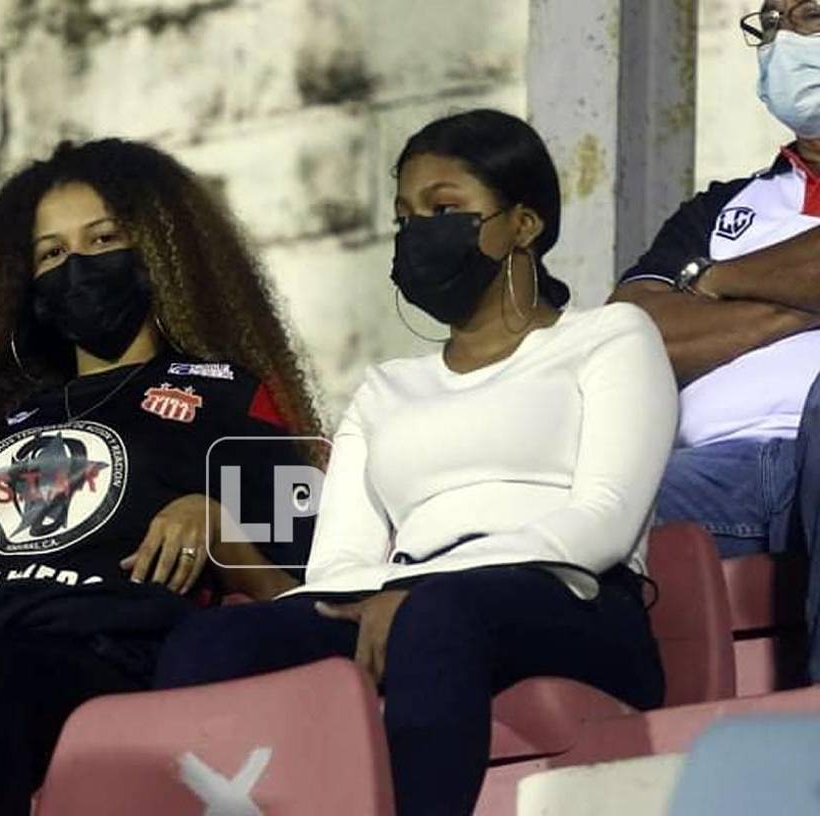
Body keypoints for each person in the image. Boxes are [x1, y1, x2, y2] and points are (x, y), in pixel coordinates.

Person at [153, 110, 677, 816]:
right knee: (214, 642)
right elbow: (338, 564)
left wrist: (427, 589)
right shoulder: (386, 388)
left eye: (445, 209)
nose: (418, 234)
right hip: (406, 597)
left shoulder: (610, 337)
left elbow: (605, 520)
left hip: (575, 601)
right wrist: (388, 597)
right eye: (405, 218)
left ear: (522, 225)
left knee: (436, 615)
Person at [0, 138, 322, 815]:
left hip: (110, 655)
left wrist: (219, 527)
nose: (79, 266)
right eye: (52, 253)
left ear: (160, 252)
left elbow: (304, 603)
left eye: (103, 239)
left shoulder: (232, 396)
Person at [611, 0, 820, 681]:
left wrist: (713, 283)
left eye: (809, 17)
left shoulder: (709, 258)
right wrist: (798, 300)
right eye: (769, 25)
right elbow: (633, 337)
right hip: (714, 475)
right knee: (560, 510)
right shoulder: (717, 211)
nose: (781, 42)